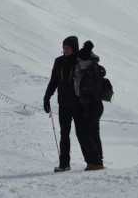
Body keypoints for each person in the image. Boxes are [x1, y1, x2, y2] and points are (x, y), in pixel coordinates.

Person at [43, 35, 86, 172]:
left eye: (68, 47)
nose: (65, 49)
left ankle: (92, 162)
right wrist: (47, 97)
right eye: (64, 47)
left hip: (78, 104)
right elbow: (54, 81)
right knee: (64, 135)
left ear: (74, 48)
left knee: (82, 133)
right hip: (63, 104)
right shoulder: (59, 61)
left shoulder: (80, 61)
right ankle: (64, 164)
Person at [75, 40, 105, 170]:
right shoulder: (92, 68)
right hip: (93, 105)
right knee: (93, 133)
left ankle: (95, 161)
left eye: (79, 58)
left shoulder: (90, 70)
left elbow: (92, 89)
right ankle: (97, 161)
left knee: (83, 133)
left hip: (93, 105)